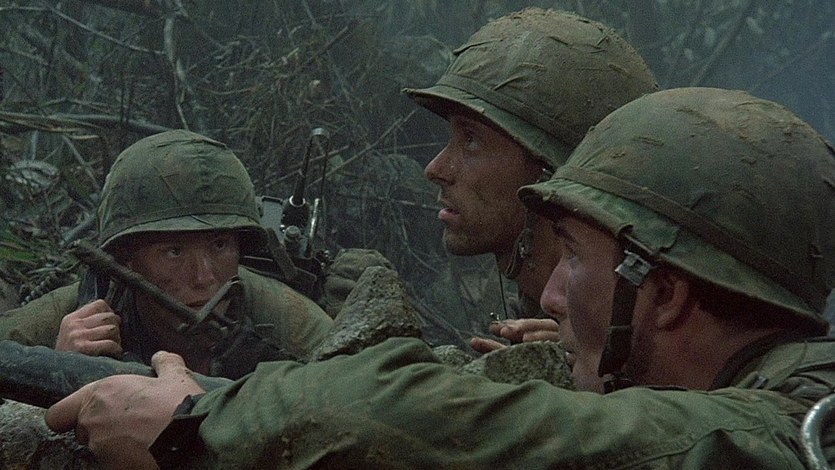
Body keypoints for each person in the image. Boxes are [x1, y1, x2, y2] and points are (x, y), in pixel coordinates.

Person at [44, 87, 835, 468]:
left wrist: (197, 423)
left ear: (666, 294)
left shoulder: (801, 430)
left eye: (572, 257)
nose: (549, 293)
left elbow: (392, 413)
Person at [405, 8, 658, 352]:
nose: (435, 169)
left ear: (549, 172)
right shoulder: (549, 312)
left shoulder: (645, 348)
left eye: (471, 140)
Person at [0, 129, 333, 379]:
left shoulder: (292, 328)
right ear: (126, 258)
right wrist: (53, 365)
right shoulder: (80, 311)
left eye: (219, 245)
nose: (204, 278)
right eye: (174, 251)